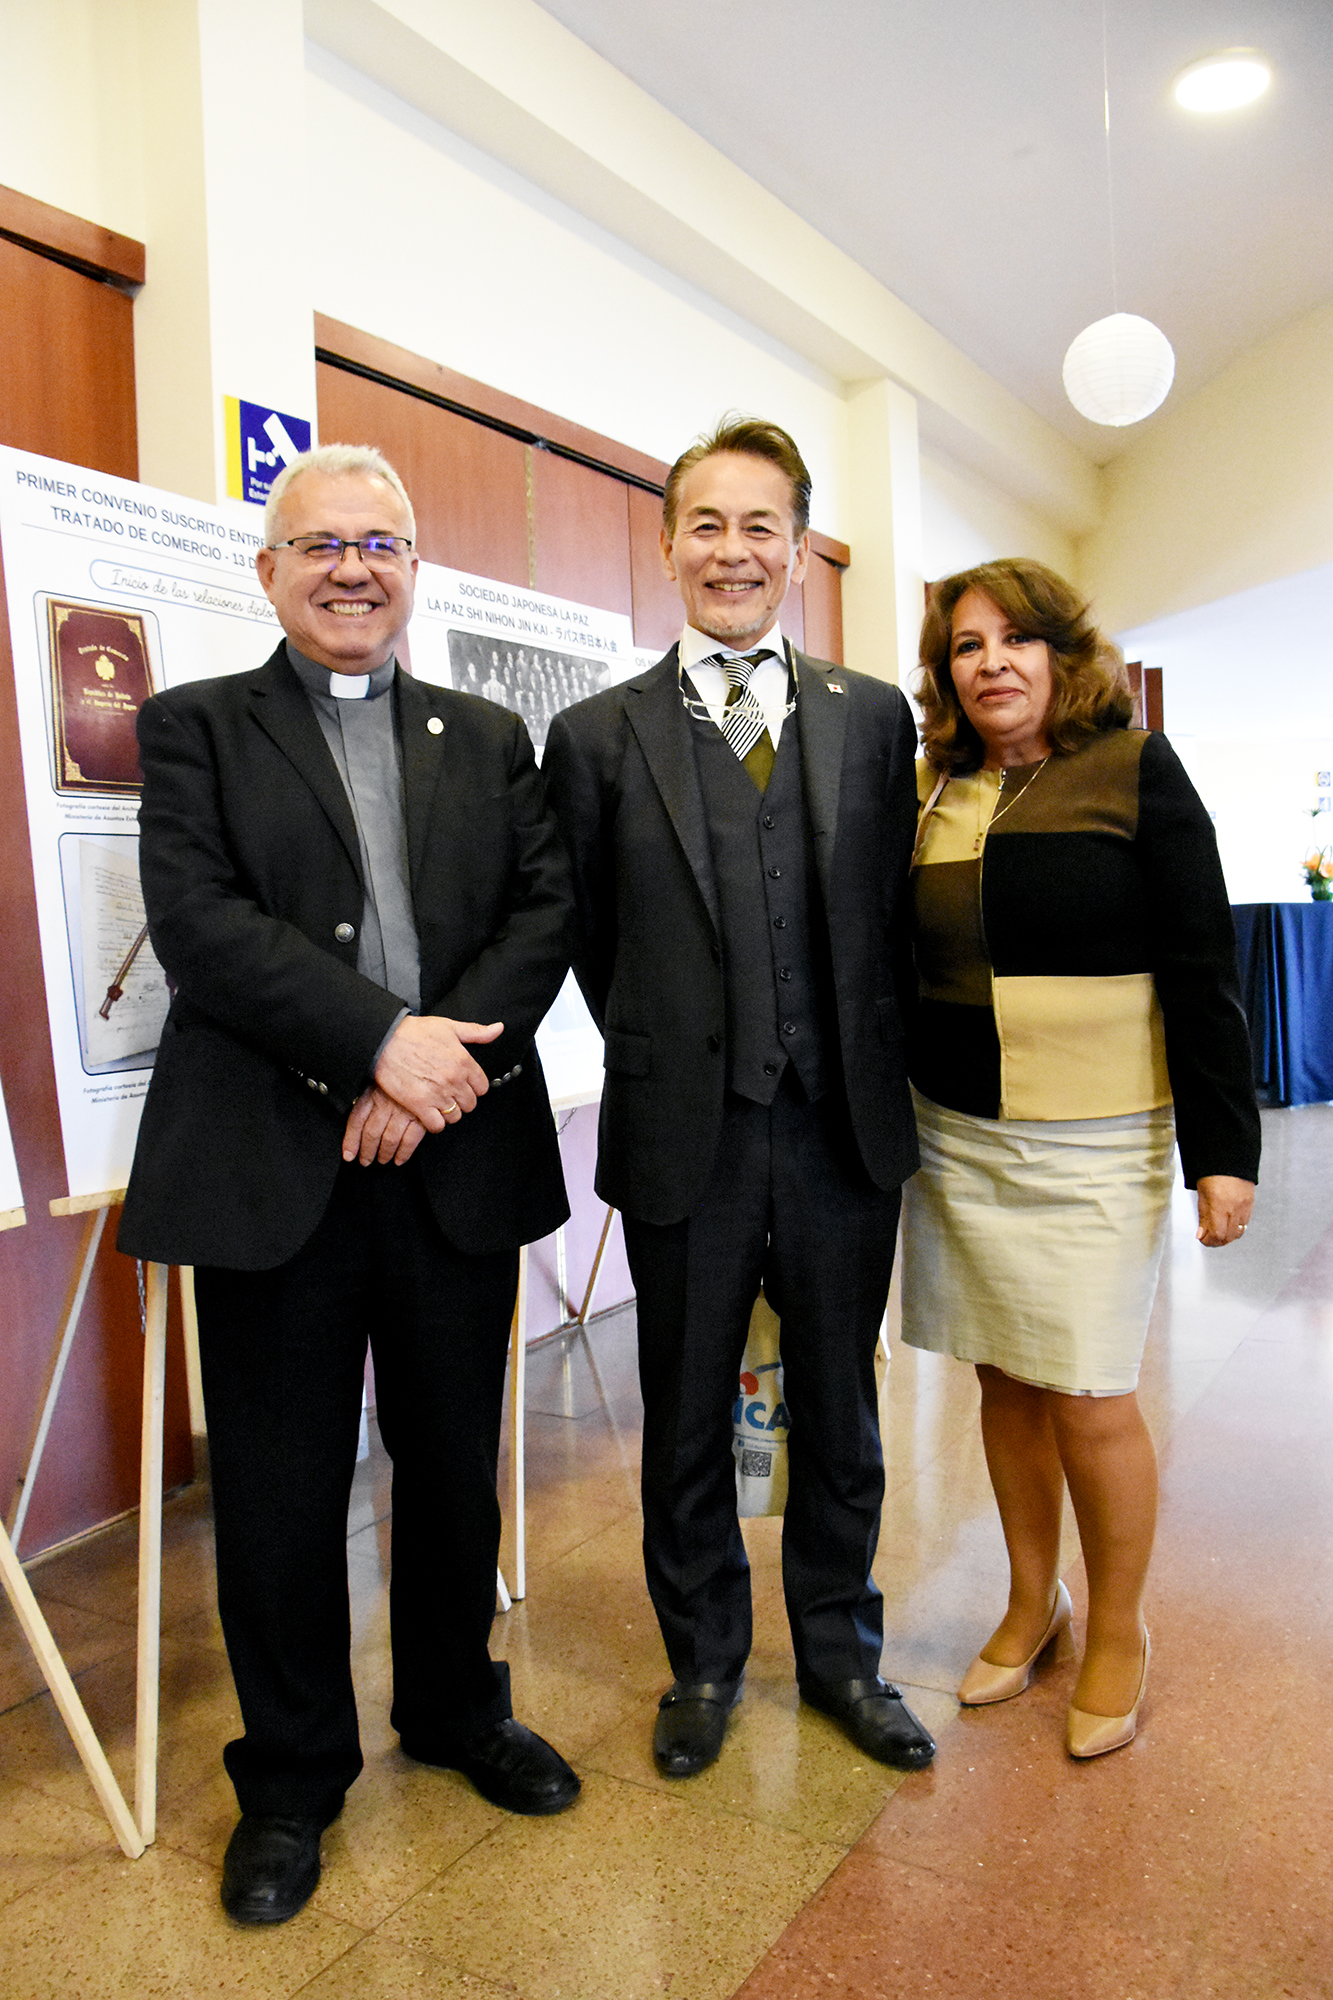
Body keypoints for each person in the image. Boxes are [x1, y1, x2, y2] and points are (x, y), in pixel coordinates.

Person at [118, 444, 580, 1924]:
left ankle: (453, 1710)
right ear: (268, 570)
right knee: (277, 1491)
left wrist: (431, 1074)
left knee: (451, 1468)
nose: (351, 569)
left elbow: (542, 916)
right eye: (320, 544)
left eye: (379, 543)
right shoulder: (195, 726)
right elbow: (202, 926)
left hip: (453, 1156)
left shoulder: (486, 736)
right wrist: (379, 1046)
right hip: (273, 1166)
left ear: (414, 568)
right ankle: (292, 1779)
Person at [543, 417, 932, 1779]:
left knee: (840, 1408)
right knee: (686, 1406)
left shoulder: (872, 716)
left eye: (759, 525)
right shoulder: (595, 736)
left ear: (799, 552)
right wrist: (675, 1042)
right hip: (684, 1136)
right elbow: (587, 936)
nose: (731, 550)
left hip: (840, 1130)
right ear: (666, 546)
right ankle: (703, 1660)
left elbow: (890, 913)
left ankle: (841, 1655)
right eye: (704, 524)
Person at [902, 558, 1260, 1758]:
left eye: (1015, 638)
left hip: (1097, 1135)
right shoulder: (935, 787)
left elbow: (1204, 968)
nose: (991, 662)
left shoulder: (1135, 768)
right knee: (1003, 1380)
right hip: (958, 1131)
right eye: (966, 645)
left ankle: (1118, 1625)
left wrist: (1223, 1149)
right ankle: (1030, 1599)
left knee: (1090, 1393)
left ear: (1063, 654)